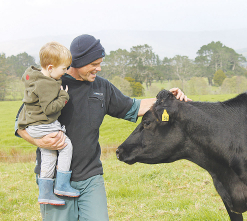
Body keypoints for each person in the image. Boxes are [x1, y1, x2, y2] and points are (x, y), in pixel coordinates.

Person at [15, 34, 190, 221]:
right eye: (93, 64)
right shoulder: (50, 83)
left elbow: (133, 106)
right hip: (54, 179)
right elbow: (20, 124)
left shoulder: (102, 87)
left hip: (91, 177)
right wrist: (38, 140)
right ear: (78, 62)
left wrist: (167, 99)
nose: (98, 68)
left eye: (100, 63)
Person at [18, 42, 80, 206]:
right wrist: (63, 96)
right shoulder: (46, 84)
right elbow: (49, 109)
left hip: (34, 125)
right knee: (66, 146)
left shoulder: (34, 76)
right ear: (51, 68)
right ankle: (62, 185)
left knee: (49, 154)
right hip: (44, 124)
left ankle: (45, 193)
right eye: (64, 69)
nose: (65, 72)